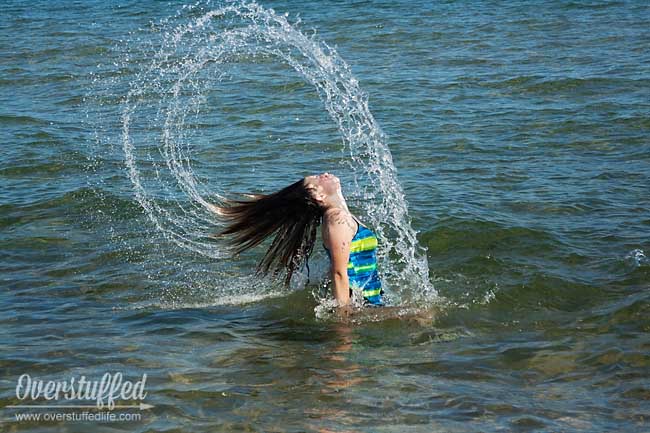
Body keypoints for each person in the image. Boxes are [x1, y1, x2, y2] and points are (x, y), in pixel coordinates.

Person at [209, 172, 384, 309]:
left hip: (368, 301)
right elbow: (339, 273)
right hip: (358, 306)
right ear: (318, 196)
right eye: (316, 179)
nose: (323, 174)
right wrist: (344, 324)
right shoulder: (336, 219)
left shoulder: (340, 215)